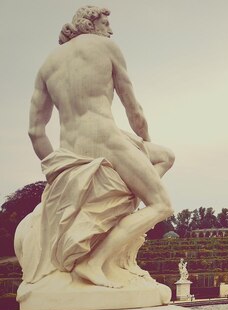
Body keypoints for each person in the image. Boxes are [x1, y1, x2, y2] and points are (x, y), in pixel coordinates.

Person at [28, 6, 175, 288]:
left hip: (70, 149)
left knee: (166, 156)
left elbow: (35, 131)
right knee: (161, 204)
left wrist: (60, 171)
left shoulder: (47, 64)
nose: (110, 30)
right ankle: (94, 262)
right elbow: (134, 109)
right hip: (106, 138)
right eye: (106, 23)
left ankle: (124, 205)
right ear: (91, 25)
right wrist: (144, 139)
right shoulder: (106, 47)